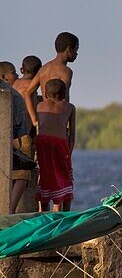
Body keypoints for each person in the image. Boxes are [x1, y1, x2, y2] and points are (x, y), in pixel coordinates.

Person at [35, 79, 76, 211]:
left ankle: (43, 209)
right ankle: (61, 210)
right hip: (60, 143)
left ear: (45, 94)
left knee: (45, 174)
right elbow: (72, 135)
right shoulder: (69, 107)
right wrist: (68, 154)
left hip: (42, 142)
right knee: (64, 175)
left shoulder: (39, 106)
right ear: (64, 93)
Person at [1, 62, 34, 210]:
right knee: (23, 175)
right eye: (13, 73)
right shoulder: (11, 93)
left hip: (11, 135)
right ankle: (11, 209)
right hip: (19, 136)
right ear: (4, 77)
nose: (17, 76)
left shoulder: (11, 91)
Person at [28, 31, 78, 106]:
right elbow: (65, 100)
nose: (77, 53)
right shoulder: (66, 71)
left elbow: (27, 92)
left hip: (44, 115)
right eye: (76, 50)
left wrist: (34, 116)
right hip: (59, 114)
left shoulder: (43, 69)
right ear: (69, 49)